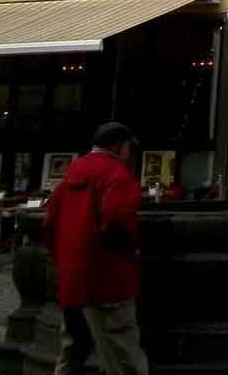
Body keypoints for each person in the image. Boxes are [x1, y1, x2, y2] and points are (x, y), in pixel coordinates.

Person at [44, 122, 149, 375]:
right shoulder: (118, 175)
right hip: (107, 282)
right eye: (128, 147)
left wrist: (64, 261)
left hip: (72, 281)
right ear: (118, 145)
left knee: (72, 351)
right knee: (123, 356)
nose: (129, 153)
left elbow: (49, 223)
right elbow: (117, 221)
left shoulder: (73, 172)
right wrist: (131, 252)